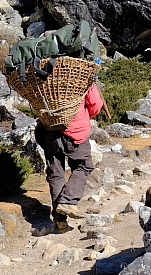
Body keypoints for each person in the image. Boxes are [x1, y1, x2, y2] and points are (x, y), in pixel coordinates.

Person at [34, 82, 104, 233]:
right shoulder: (80, 74)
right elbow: (96, 104)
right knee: (84, 165)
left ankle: (60, 220)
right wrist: (84, 115)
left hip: (49, 130)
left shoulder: (43, 75)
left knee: (56, 173)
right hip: (75, 130)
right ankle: (68, 201)